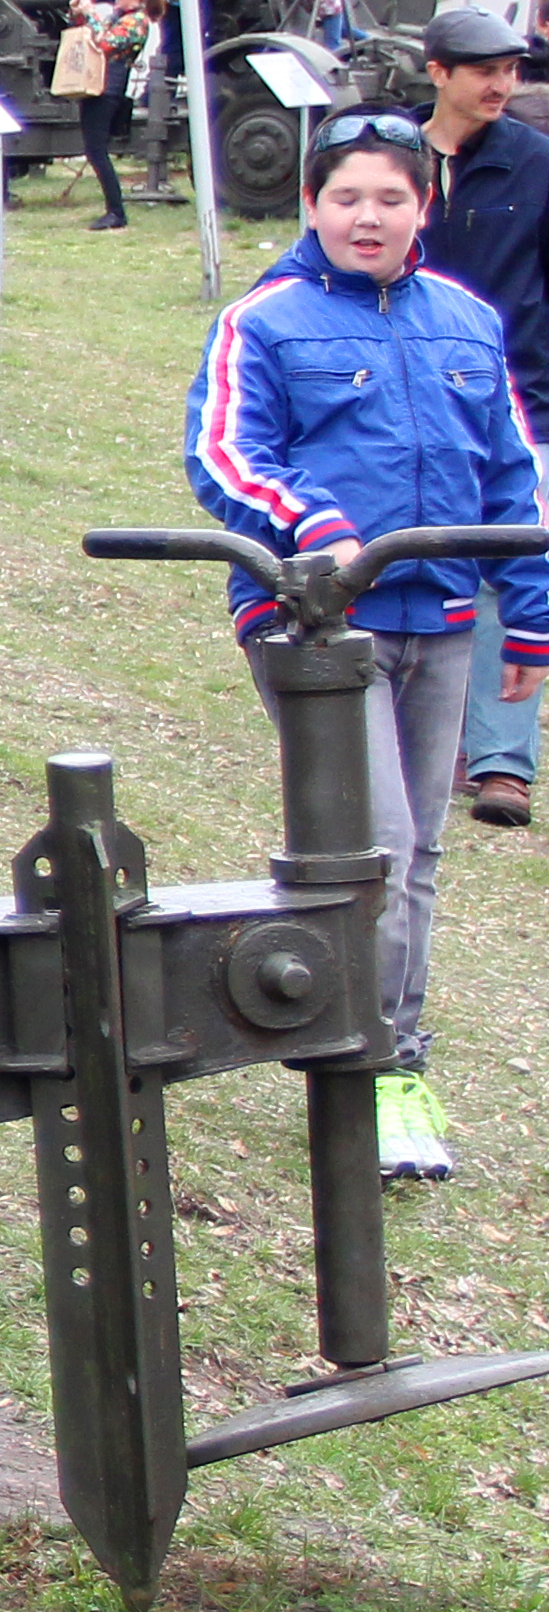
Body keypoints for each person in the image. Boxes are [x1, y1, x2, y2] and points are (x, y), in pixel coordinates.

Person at [186, 114, 549, 1177]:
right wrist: (312, 526)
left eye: (390, 198)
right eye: (346, 197)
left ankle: (385, 1051)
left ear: (421, 208)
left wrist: (528, 609)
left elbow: (512, 475)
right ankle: (369, 1064)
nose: (367, 217)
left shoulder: (465, 322)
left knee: (419, 854)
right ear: (311, 205)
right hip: (317, 624)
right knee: (376, 846)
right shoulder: (268, 320)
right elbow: (223, 455)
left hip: (441, 623)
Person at [420, 2, 549, 823]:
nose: (502, 84)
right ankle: (443, 736)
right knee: (431, 561)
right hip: (411, 391)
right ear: (439, 73)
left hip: (520, 392)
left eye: (511, 70)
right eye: (483, 70)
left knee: (515, 562)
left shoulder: (535, 162)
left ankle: (504, 761)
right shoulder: (386, 154)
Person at [57, 0, 153, 229]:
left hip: (108, 89)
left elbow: (104, 43)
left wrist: (91, 14)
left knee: (97, 150)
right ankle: (114, 210)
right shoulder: (120, 17)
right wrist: (80, 15)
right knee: (95, 149)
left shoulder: (137, 21)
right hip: (98, 86)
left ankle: (116, 212)